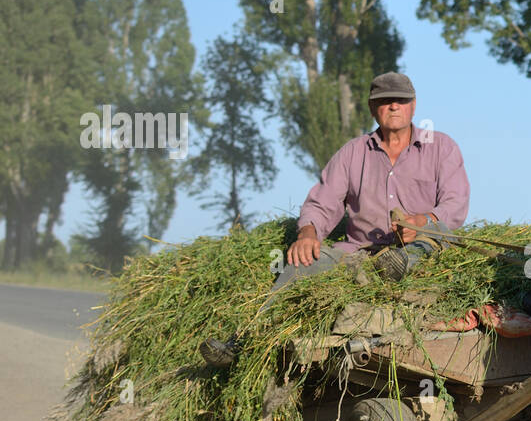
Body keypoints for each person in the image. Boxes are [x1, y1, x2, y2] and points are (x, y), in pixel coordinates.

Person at [200, 71, 470, 367]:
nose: (393, 106)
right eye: (385, 101)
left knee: (441, 233)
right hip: (361, 251)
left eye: (400, 100)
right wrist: (307, 233)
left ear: (413, 106)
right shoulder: (353, 153)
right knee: (302, 262)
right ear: (372, 108)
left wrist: (421, 222)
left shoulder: (441, 147)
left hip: (422, 245)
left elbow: (455, 204)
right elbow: (322, 202)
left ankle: (400, 264)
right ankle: (242, 341)